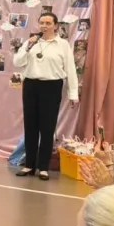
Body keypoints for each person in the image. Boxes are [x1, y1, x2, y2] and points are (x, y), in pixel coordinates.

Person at [13, 13, 78, 180]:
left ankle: (43, 167)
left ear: (55, 26)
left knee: (47, 127)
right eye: (41, 22)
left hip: (52, 86)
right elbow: (17, 62)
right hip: (31, 85)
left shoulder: (62, 45)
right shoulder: (31, 42)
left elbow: (70, 69)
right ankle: (29, 165)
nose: (44, 26)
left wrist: (73, 93)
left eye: (48, 23)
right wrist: (27, 47)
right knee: (30, 126)